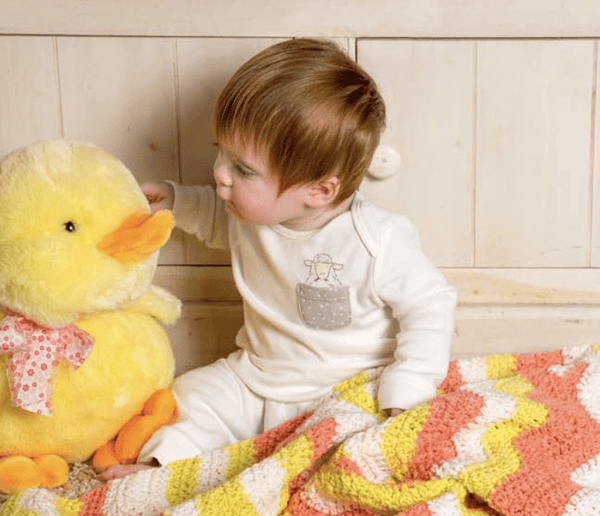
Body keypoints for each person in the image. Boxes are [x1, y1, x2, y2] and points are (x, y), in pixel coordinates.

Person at [104, 38, 456, 478]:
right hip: (255, 377)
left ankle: (294, 471)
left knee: (355, 452)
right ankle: (162, 473)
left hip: (343, 391)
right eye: (220, 151)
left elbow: (431, 304)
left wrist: (408, 387)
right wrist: (174, 201)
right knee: (188, 398)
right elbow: (213, 216)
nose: (219, 173)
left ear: (320, 190)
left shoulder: (378, 238)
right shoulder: (248, 215)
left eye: (243, 170)